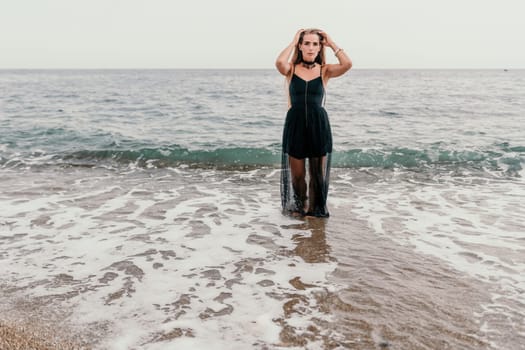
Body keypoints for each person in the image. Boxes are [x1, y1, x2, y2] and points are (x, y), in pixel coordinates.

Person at [275, 28, 352, 217]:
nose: (311, 48)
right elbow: (279, 62)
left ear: (320, 47)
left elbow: (347, 64)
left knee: (317, 174)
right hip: (295, 124)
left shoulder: (325, 70)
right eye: (306, 43)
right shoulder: (291, 70)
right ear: (301, 46)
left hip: (319, 124)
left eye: (315, 44)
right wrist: (293, 41)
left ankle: (314, 212)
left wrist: (331, 42)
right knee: (298, 175)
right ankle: (300, 206)